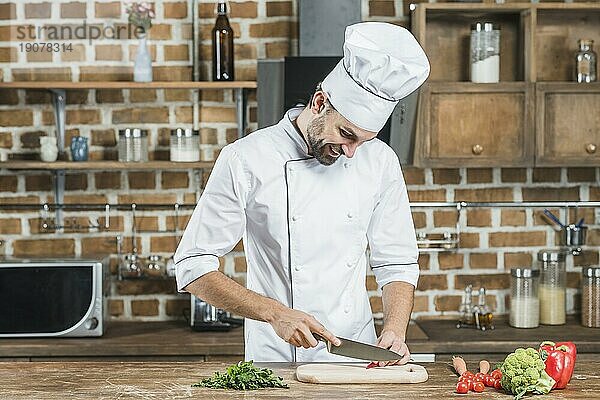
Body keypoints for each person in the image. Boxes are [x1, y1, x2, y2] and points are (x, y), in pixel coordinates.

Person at [175, 22, 430, 364]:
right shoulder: (245, 158)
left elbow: (396, 262)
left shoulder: (381, 161)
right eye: (346, 134)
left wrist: (395, 331)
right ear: (320, 101)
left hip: (358, 360)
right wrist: (274, 313)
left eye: (363, 141)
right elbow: (193, 266)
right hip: (277, 360)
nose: (352, 152)